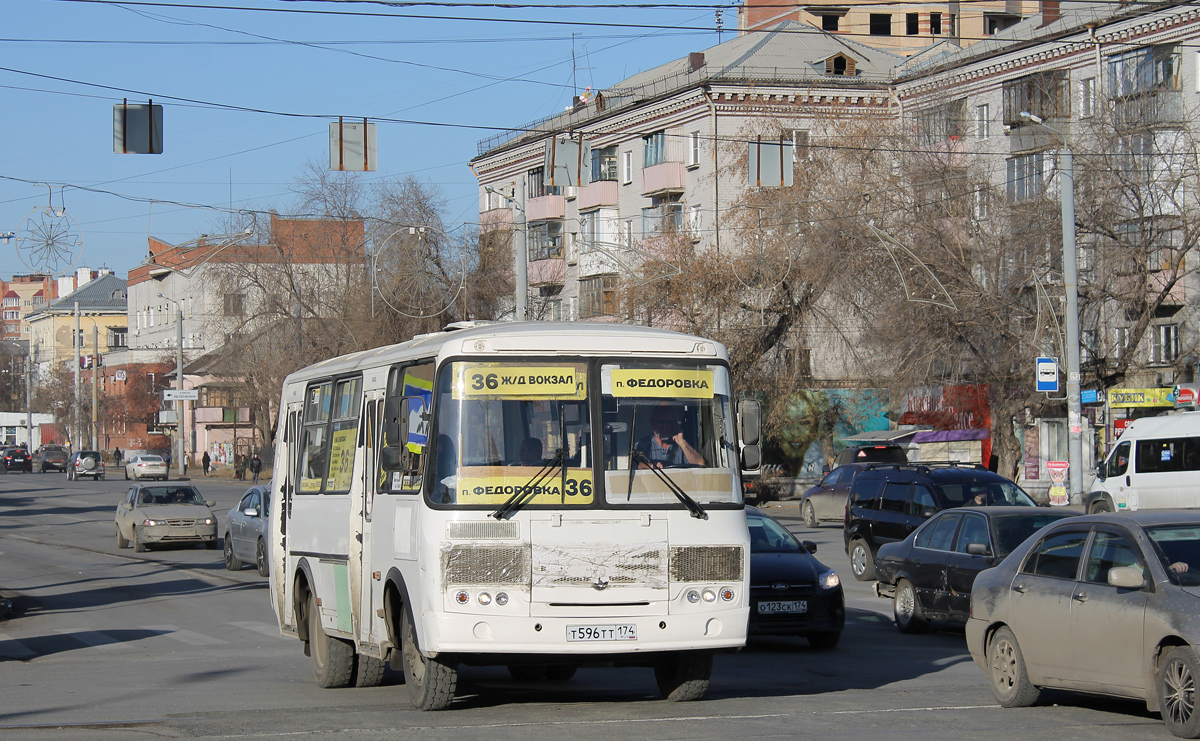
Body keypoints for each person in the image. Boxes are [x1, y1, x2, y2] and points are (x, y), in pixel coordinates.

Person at [635, 405, 705, 469]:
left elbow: (700, 464)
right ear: (653, 422)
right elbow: (635, 465)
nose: (665, 427)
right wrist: (650, 466)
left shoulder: (682, 446)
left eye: (669, 422)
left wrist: (682, 442)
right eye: (661, 422)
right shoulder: (643, 445)